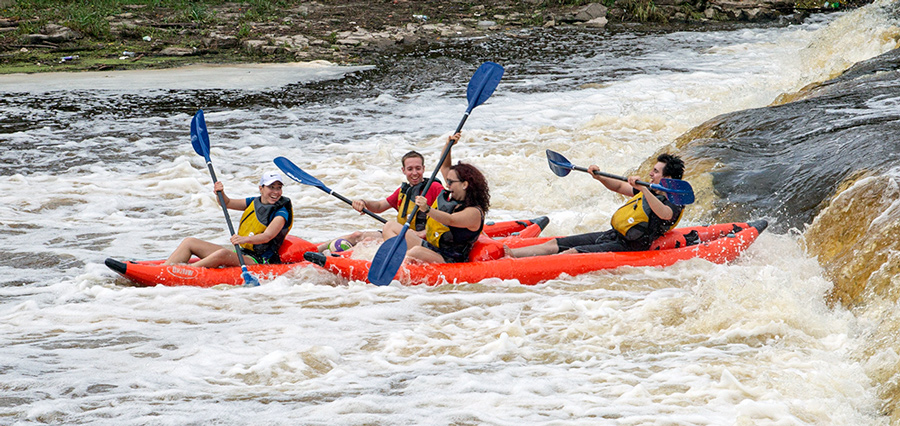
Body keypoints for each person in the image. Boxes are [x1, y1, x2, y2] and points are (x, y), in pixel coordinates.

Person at [508, 154, 685, 257]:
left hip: (632, 245)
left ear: (667, 178)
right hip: (614, 235)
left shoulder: (676, 200)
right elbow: (618, 186)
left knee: (571, 254)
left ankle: (515, 269)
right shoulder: (651, 190)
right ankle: (510, 255)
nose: (650, 173)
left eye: (655, 171)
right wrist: (599, 177)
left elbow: (665, 214)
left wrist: (644, 189)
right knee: (555, 243)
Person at [381, 133, 490, 263]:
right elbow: (444, 166)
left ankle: (396, 264)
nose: (447, 185)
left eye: (450, 182)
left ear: (464, 184)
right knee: (389, 226)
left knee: (416, 252)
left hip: (450, 258)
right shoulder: (454, 194)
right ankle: (392, 259)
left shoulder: (474, 212)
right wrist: (448, 145)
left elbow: (450, 220)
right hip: (435, 248)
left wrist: (427, 209)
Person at [317, 149, 444, 252]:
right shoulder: (403, 191)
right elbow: (379, 206)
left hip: (424, 240)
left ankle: (339, 260)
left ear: (424, 168)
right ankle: (314, 251)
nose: (414, 173)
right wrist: (363, 202)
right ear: (403, 170)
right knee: (356, 235)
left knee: (369, 243)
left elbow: (448, 218)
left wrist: (422, 233)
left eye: (418, 168)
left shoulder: (434, 188)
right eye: (410, 169)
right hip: (402, 235)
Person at [164, 173, 293, 267]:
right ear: (261, 188)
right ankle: (163, 270)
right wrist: (220, 193)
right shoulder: (254, 202)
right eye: (271, 187)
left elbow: (267, 236)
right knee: (189, 242)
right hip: (242, 252)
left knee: (222, 254)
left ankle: (185, 271)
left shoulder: (281, 212)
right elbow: (227, 203)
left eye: (278, 187)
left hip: (259, 260)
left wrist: (244, 239)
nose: (276, 192)